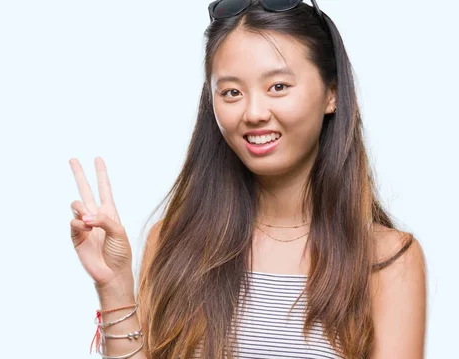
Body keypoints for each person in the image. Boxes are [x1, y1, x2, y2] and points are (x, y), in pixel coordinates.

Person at [68, 0, 427, 358]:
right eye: (232, 93)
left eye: (278, 87)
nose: (254, 113)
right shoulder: (172, 243)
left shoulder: (387, 260)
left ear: (331, 94)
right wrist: (114, 286)